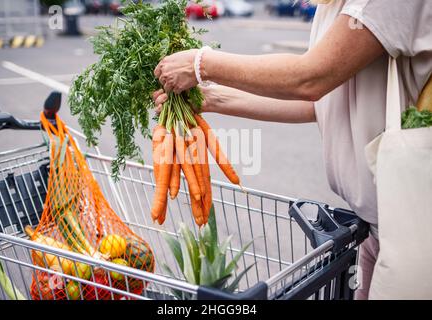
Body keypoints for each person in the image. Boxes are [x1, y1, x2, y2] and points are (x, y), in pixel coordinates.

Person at [152, 0, 432, 299]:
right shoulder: (333, 6)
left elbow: (311, 77)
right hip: (375, 225)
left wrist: (200, 64)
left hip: (415, 229)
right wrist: (211, 99)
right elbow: (319, 99)